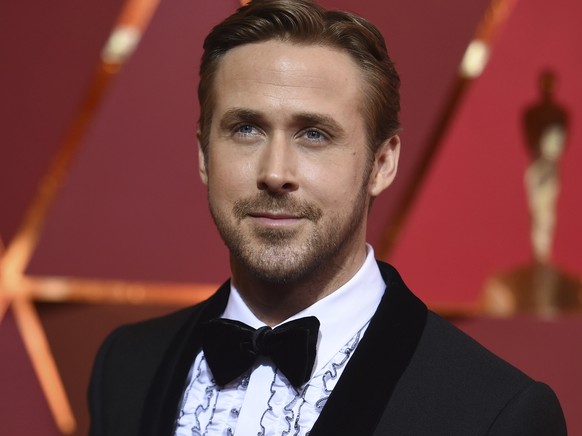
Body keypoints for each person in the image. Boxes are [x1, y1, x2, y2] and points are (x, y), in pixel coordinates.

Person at [88, 1, 567, 434]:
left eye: (314, 134)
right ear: (203, 155)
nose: (275, 173)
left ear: (382, 164)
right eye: (246, 129)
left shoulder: (494, 413)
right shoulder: (126, 367)